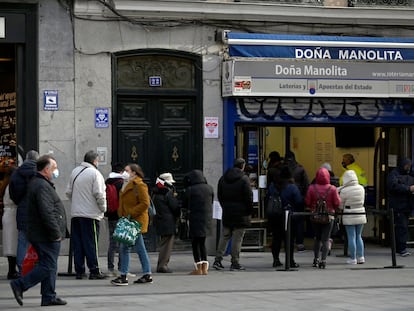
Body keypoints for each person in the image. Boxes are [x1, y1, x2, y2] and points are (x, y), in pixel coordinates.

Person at [10, 154, 67, 307]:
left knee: (50, 264)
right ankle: (20, 284)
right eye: (54, 168)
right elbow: (46, 212)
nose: (56, 171)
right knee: (47, 265)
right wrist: (55, 233)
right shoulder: (41, 185)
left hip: (42, 232)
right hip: (45, 234)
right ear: (46, 169)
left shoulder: (40, 183)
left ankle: (49, 296)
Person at [66, 150, 107, 280]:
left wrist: (78, 202)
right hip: (90, 215)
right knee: (91, 243)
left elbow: (68, 192)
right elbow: (99, 194)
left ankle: (79, 271)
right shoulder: (95, 173)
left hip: (76, 214)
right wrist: (103, 208)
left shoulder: (75, 171)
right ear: (95, 161)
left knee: (78, 244)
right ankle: (94, 270)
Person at [111, 163, 153, 285]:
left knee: (126, 248)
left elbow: (145, 203)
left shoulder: (139, 185)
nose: (124, 172)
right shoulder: (126, 184)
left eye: (127, 170)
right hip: (127, 220)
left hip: (135, 221)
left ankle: (124, 276)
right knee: (137, 248)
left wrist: (130, 213)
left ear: (134, 172)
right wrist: (122, 214)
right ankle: (146, 273)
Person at [213, 158, 253, 271]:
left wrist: (224, 206)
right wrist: (249, 211)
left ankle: (218, 260)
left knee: (225, 236)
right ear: (243, 166)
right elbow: (249, 197)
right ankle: (235, 262)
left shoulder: (223, 178)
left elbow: (219, 195)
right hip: (241, 213)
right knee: (237, 238)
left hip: (227, 211)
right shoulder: (244, 179)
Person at [9, 150, 39, 275]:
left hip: (22, 210)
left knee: (22, 240)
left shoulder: (16, 173)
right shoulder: (38, 172)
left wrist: (20, 201)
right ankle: (35, 266)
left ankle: (22, 266)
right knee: (37, 241)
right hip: (36, 211)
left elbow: (12, 193)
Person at [305, 167, 341, 269]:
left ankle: (316, 259)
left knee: (317, 238)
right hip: (328, 217)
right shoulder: (332, 189)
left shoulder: (312, 188)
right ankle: (323, 260)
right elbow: (337, 203)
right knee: (325, 239)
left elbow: (307, 201)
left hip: (314, 216)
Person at [267, 165, 302, 268]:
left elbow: (268, 197)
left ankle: (276, 259)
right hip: (289, 216)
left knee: (276, 238)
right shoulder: (292, 187)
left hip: (275, 215)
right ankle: (290, 260)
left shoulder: (273, 185)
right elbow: (299, 201)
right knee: (289, 240)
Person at [182, 170, 214, 275]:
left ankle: (198, 267)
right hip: (206, 218)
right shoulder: (209, 188)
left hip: (194, 219)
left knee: (195, 243)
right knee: (202, 243)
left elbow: (184, 204)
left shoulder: (190, 189)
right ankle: (205, 268)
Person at [338, 169, 367, 264]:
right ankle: (361, 257)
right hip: (361, 212)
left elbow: (341, 205)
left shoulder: (344, 190)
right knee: (359, 236)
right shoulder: (361, 188)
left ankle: (353, 258)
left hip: (349, 213)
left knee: (351, 236)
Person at [153, 172, 180, 273]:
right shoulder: (167, 193)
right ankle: (163, 265)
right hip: (168, 221)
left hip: (160, 220)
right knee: (167, 245)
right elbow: (175, 207)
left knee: (163, 244)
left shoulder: (155, 192)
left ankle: (161, 264)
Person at [387, 158, 414, 257]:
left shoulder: (409, 174)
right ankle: (401, 248)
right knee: (401, 227)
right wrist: (408, 189)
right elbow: (393, 186)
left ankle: (401, 247)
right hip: (398, 205)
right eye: (406, 166)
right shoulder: (393, 174)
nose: (408, 168)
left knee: (403, 227)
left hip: (407, 205)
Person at [284, 151, 310, 252]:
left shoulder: (283, 168)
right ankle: (299, 243)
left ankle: (287, 242)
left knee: (286, 221)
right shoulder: (300, 168)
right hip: (298, 197)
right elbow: (306, 184)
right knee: (299, 222)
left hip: (285, 197)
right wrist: (304, 197)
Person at [105, 162, 126, 276]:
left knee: (112, 243)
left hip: (110, 215)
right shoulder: (121, 183)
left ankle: (110, 268)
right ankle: (121, 268)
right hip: (120, 215)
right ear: (122, 171)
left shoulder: (107, 182)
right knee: (122, 243)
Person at [2, 165, 19, 279]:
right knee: (13, 244)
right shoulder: (13, 185)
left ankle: (11, 269)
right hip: (13, 214)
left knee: (9, 244)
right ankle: (12, 271)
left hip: (7, 214)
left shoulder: (6, 185)